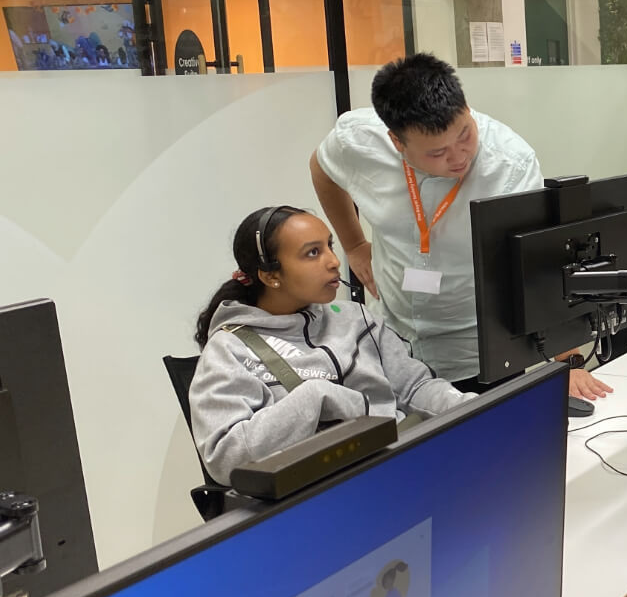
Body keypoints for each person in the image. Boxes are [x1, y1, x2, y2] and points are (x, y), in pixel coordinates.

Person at [310, 53, 610, 399]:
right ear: (396, 142)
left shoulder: (510, 165)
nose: (458, 157)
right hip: (391, 343)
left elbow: (537, 265)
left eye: (465, 134)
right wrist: (354, 245)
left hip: (476, 348)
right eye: (436, 153)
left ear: (466, 107)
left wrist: (564, 359)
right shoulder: (359, 140)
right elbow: (322, 170)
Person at [189, 207, 477, 486]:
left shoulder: (356, 317)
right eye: (313, 253)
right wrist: (316, 397)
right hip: (326, 494)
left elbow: (414, 388)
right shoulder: (230, 349)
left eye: (329, 246)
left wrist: (475, 409)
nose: (333, 261)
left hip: (401, 465)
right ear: (270, 276)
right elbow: (225, 458)